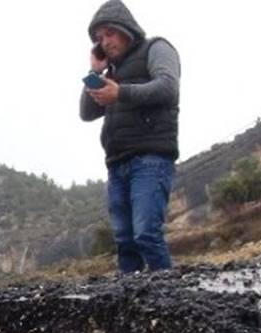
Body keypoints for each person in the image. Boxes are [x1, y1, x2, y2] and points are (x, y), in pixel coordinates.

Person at [79, 0, 181, 273]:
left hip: (150, 159)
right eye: (100, 38)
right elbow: (87, 112)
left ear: (126, 29)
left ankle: (169, 299)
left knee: (146, 234)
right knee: (125, 242)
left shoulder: (156, 48)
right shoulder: (111, 73)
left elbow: (168, 88)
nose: (105, 42)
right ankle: (130, 304)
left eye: (109, 33)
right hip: (117, 164)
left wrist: (120, 93)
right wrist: (95, 73)